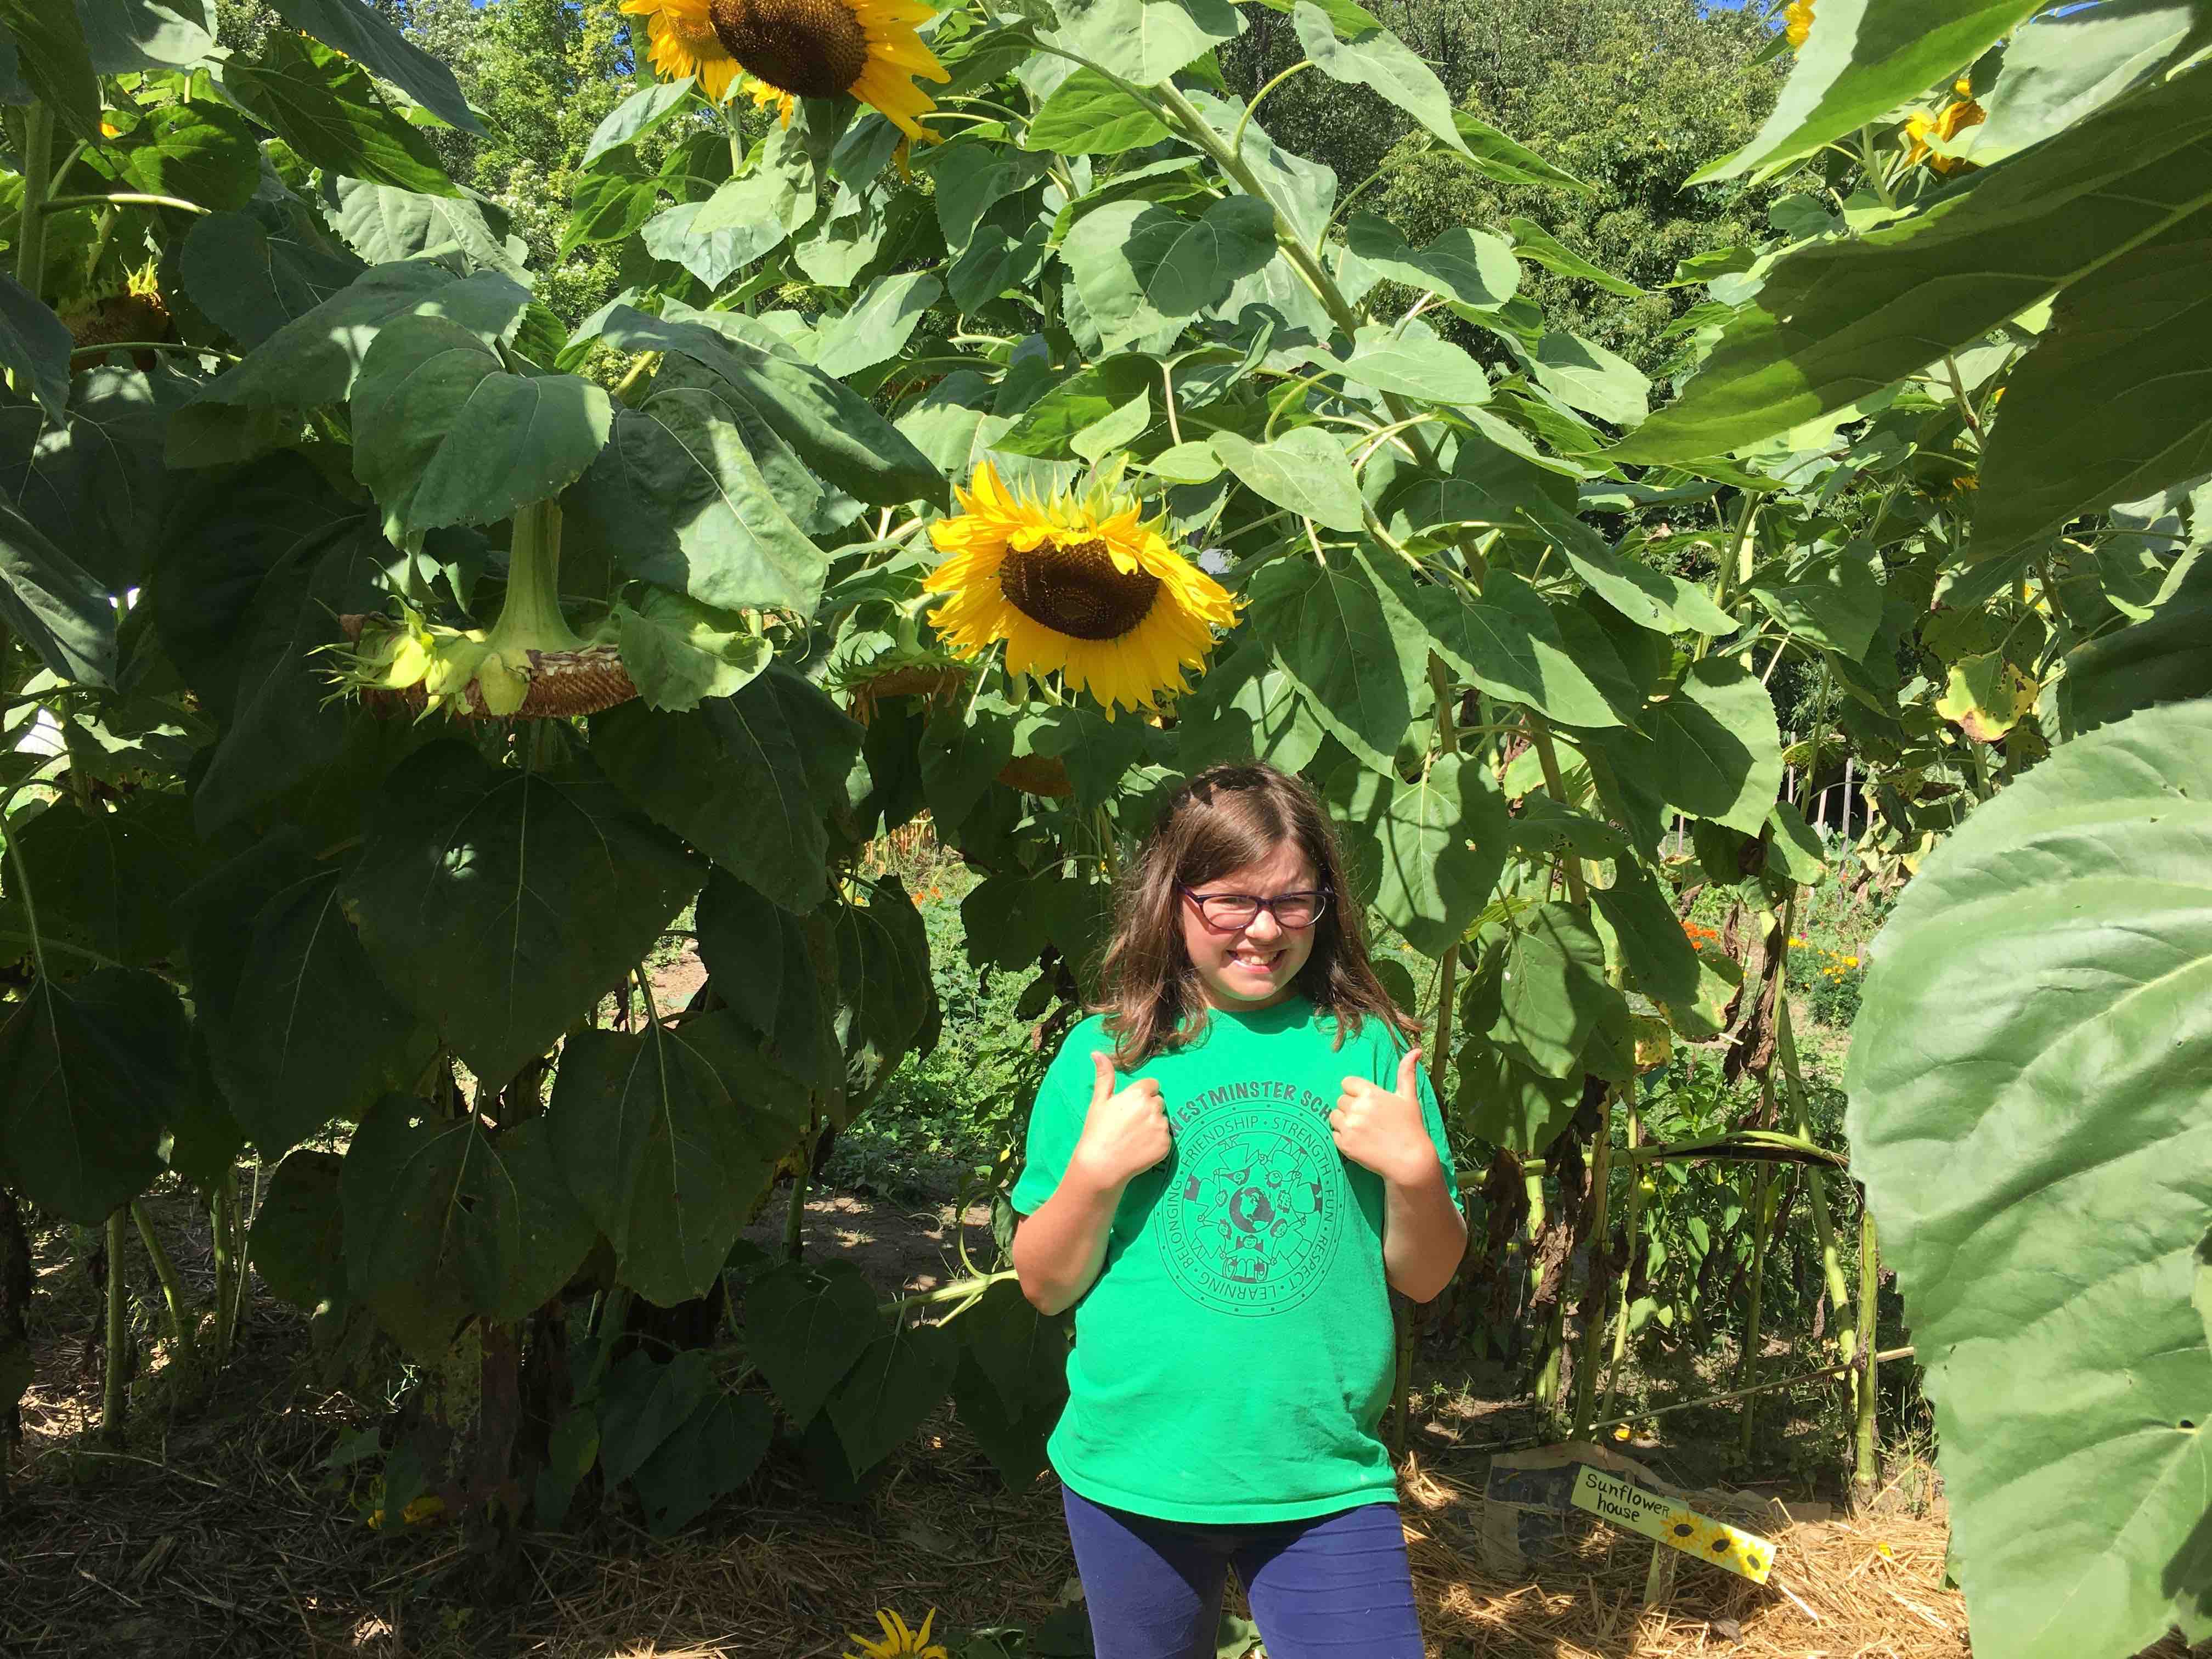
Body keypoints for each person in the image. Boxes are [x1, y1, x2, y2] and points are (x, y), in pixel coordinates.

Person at [1008, 760, 1469, 1659]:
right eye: (1229, 901)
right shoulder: (1108, 1054)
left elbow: (1425, 1275)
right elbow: (1044, 1286)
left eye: (1294, 902)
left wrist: (1415, 1173)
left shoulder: (1366, 1048)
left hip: (1322, 1473)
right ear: (1170, 898)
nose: (1263, 929)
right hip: (1134, 1471)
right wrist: (1093, 1176)